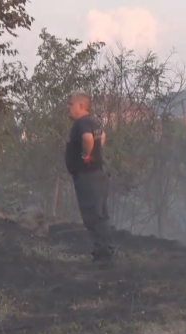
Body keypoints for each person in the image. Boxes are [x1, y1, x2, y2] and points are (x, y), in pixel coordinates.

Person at [65, 91, 115, 262]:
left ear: (80, 106)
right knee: (100, 214)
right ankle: (105, 250)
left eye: (70, 104)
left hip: (88, 176)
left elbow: (87, 138)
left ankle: (103, 253)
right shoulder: (94, 122)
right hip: (97, 174)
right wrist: (96, 152)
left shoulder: (81, 123)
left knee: (93, 215)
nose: (68, 107)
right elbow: (102, 136)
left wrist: (86, 155)